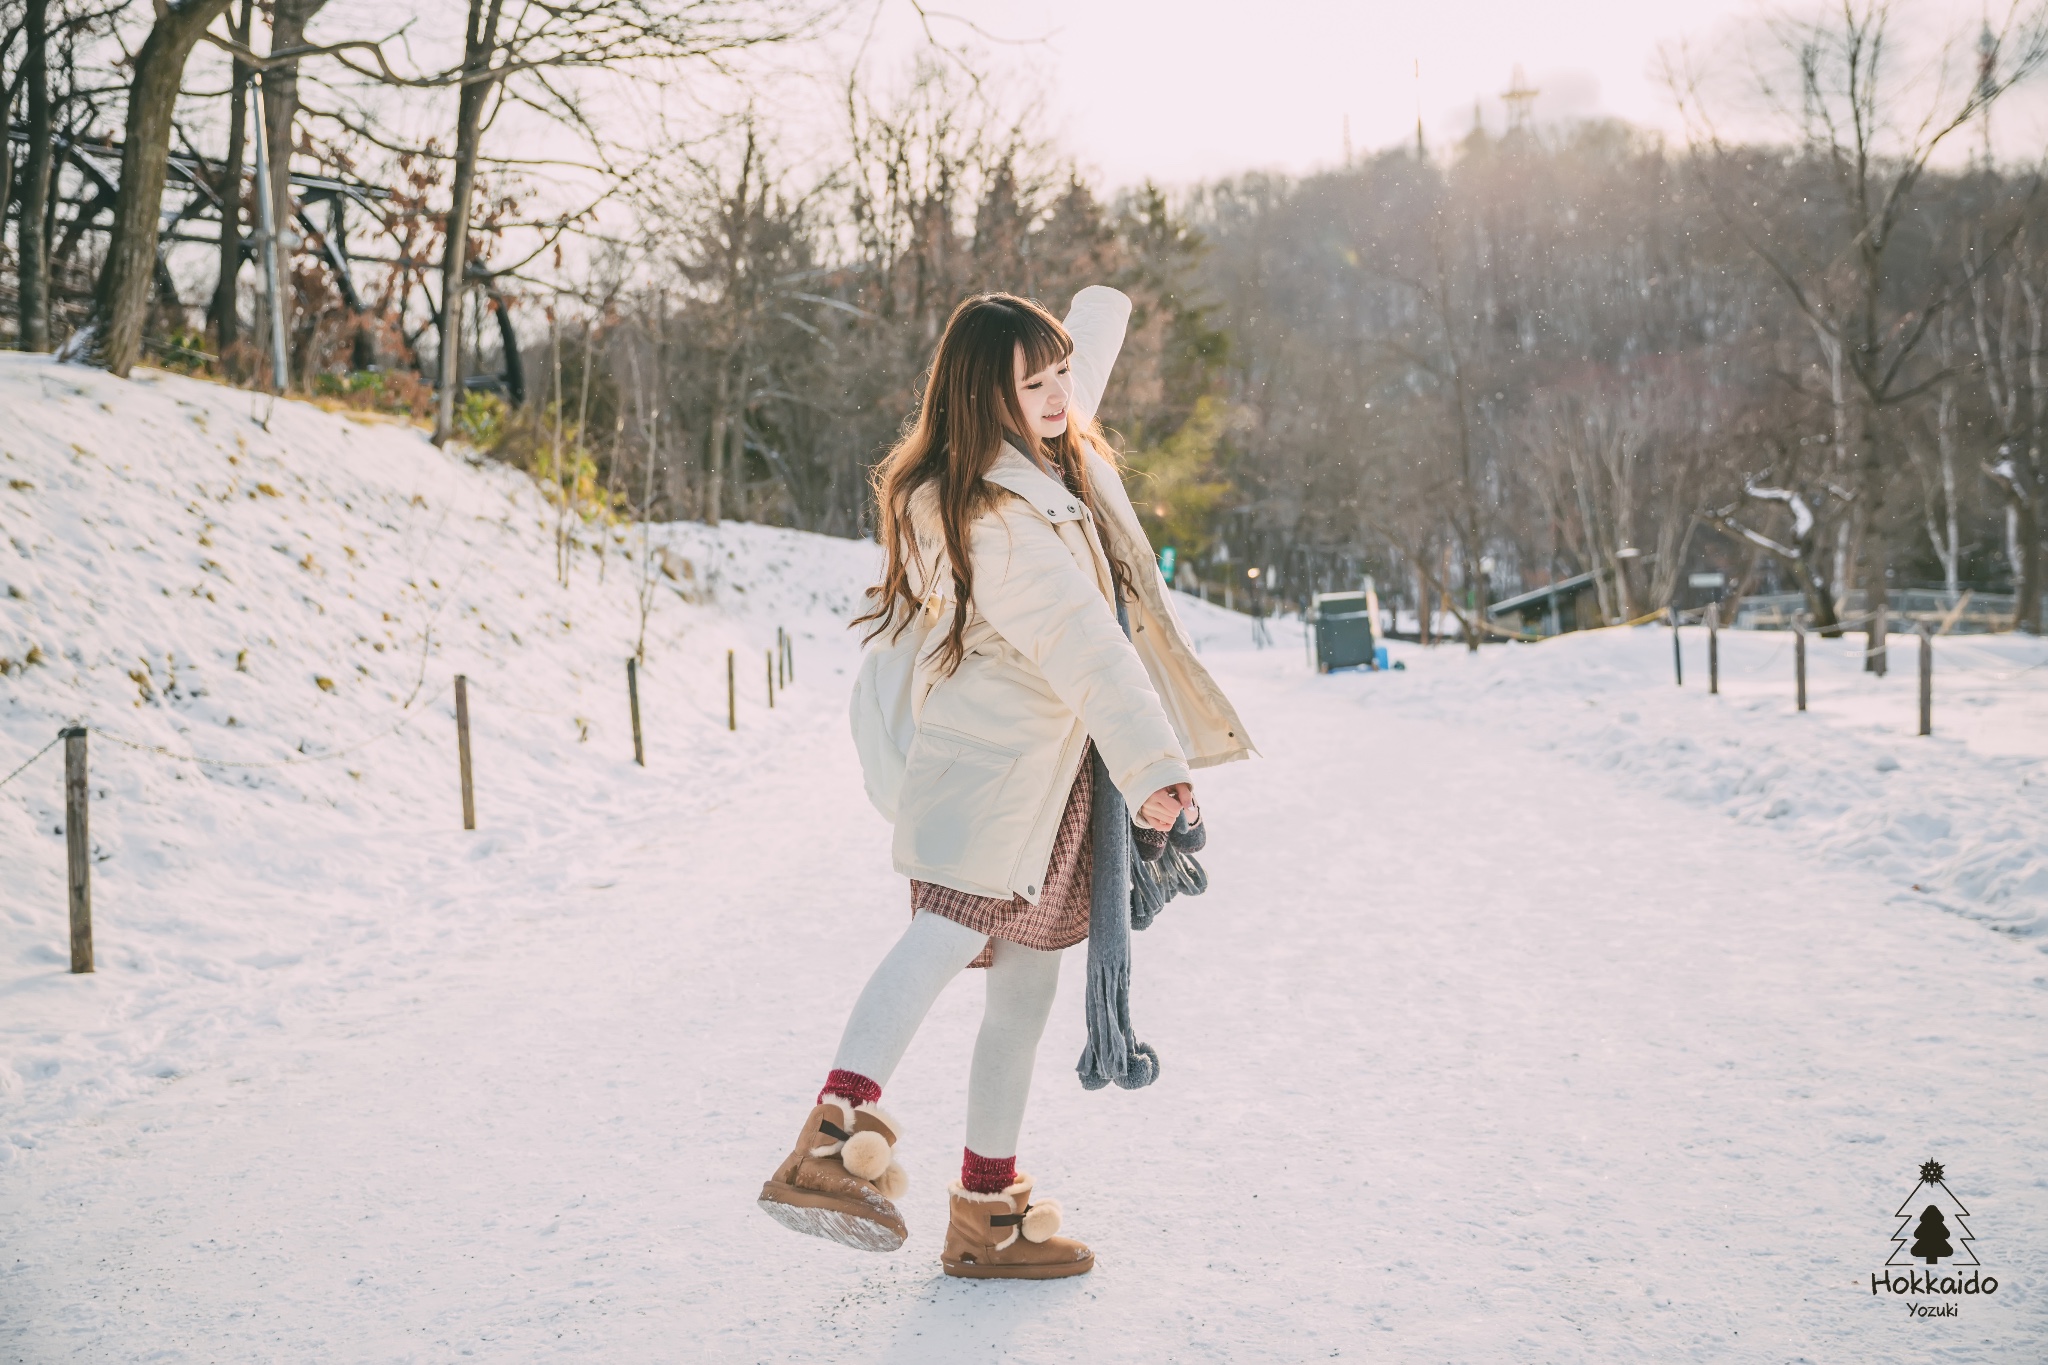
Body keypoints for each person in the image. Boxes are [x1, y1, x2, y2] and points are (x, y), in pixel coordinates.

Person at [757, 287, 1253, 1279]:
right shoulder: (999, 513)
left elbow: (1071, 380)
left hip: (1056, 784)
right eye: (1035, 383)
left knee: (1021, 1000)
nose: (1062, 395)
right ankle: (826, 1142)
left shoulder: (1044, 459)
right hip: (995, 776)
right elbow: (1085, 646)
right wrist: (1153, 768)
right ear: (993, 398)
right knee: (941, 937)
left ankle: (985, 1211)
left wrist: (1088, 318)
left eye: (1064, 372)